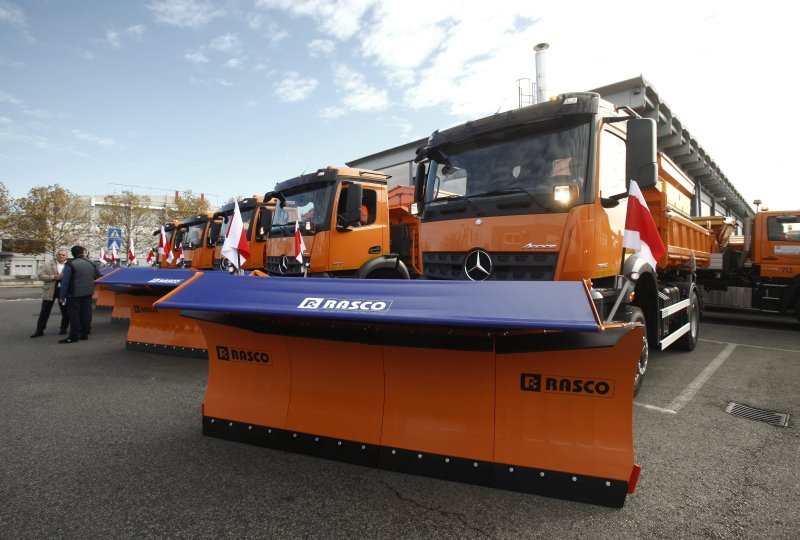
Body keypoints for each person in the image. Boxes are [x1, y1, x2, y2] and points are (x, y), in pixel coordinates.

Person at [58, 245, 100, 344]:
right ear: (83, 252)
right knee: (86, 313)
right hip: (88, 292)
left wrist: (62, 296)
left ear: (72, 254)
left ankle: (73, 336)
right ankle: (85, 333)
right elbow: (98, 276)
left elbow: (65, 281)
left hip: (74, 293)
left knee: (74, 315)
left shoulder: (70, 264)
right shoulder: (91, 263)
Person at [30, 248, 70, 338]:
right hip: (50, 290)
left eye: (63, 255)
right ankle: (39, 330)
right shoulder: (48, 264)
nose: (61, 256)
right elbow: (40, 275)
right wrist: (53, 277)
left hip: (63, 291)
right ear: (56, 255)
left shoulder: (69, 265)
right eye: (59, 254)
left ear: (67, 256)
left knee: (65, 311)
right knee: (44, 311)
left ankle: (63, 329)